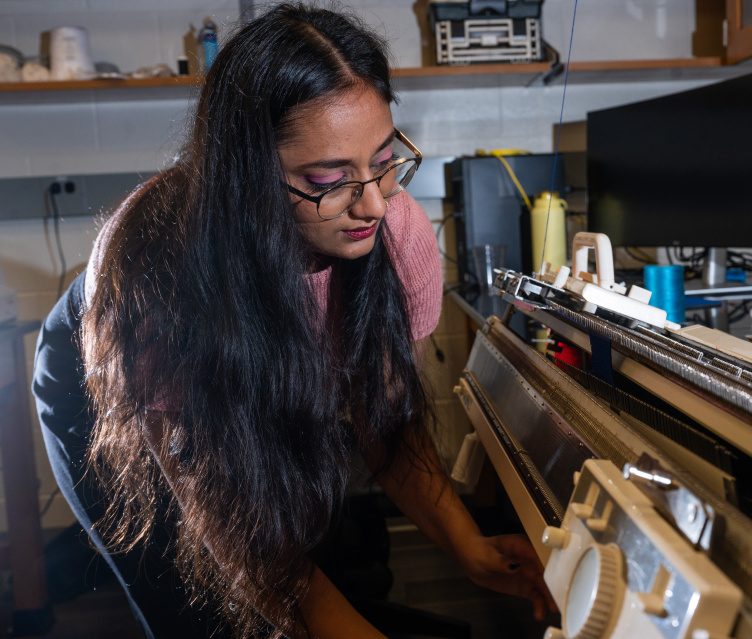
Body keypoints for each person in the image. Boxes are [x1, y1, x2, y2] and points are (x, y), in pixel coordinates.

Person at [32, 4, 553, 638]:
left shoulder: (395, 228)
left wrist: (467, 544)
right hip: (107, 381)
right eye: (329, 178)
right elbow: (211, 494)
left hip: (236, 360)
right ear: (247, 174)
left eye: (383, 160)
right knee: (188, 596)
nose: (371, 203)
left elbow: (384, 415)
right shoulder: (162, 270)